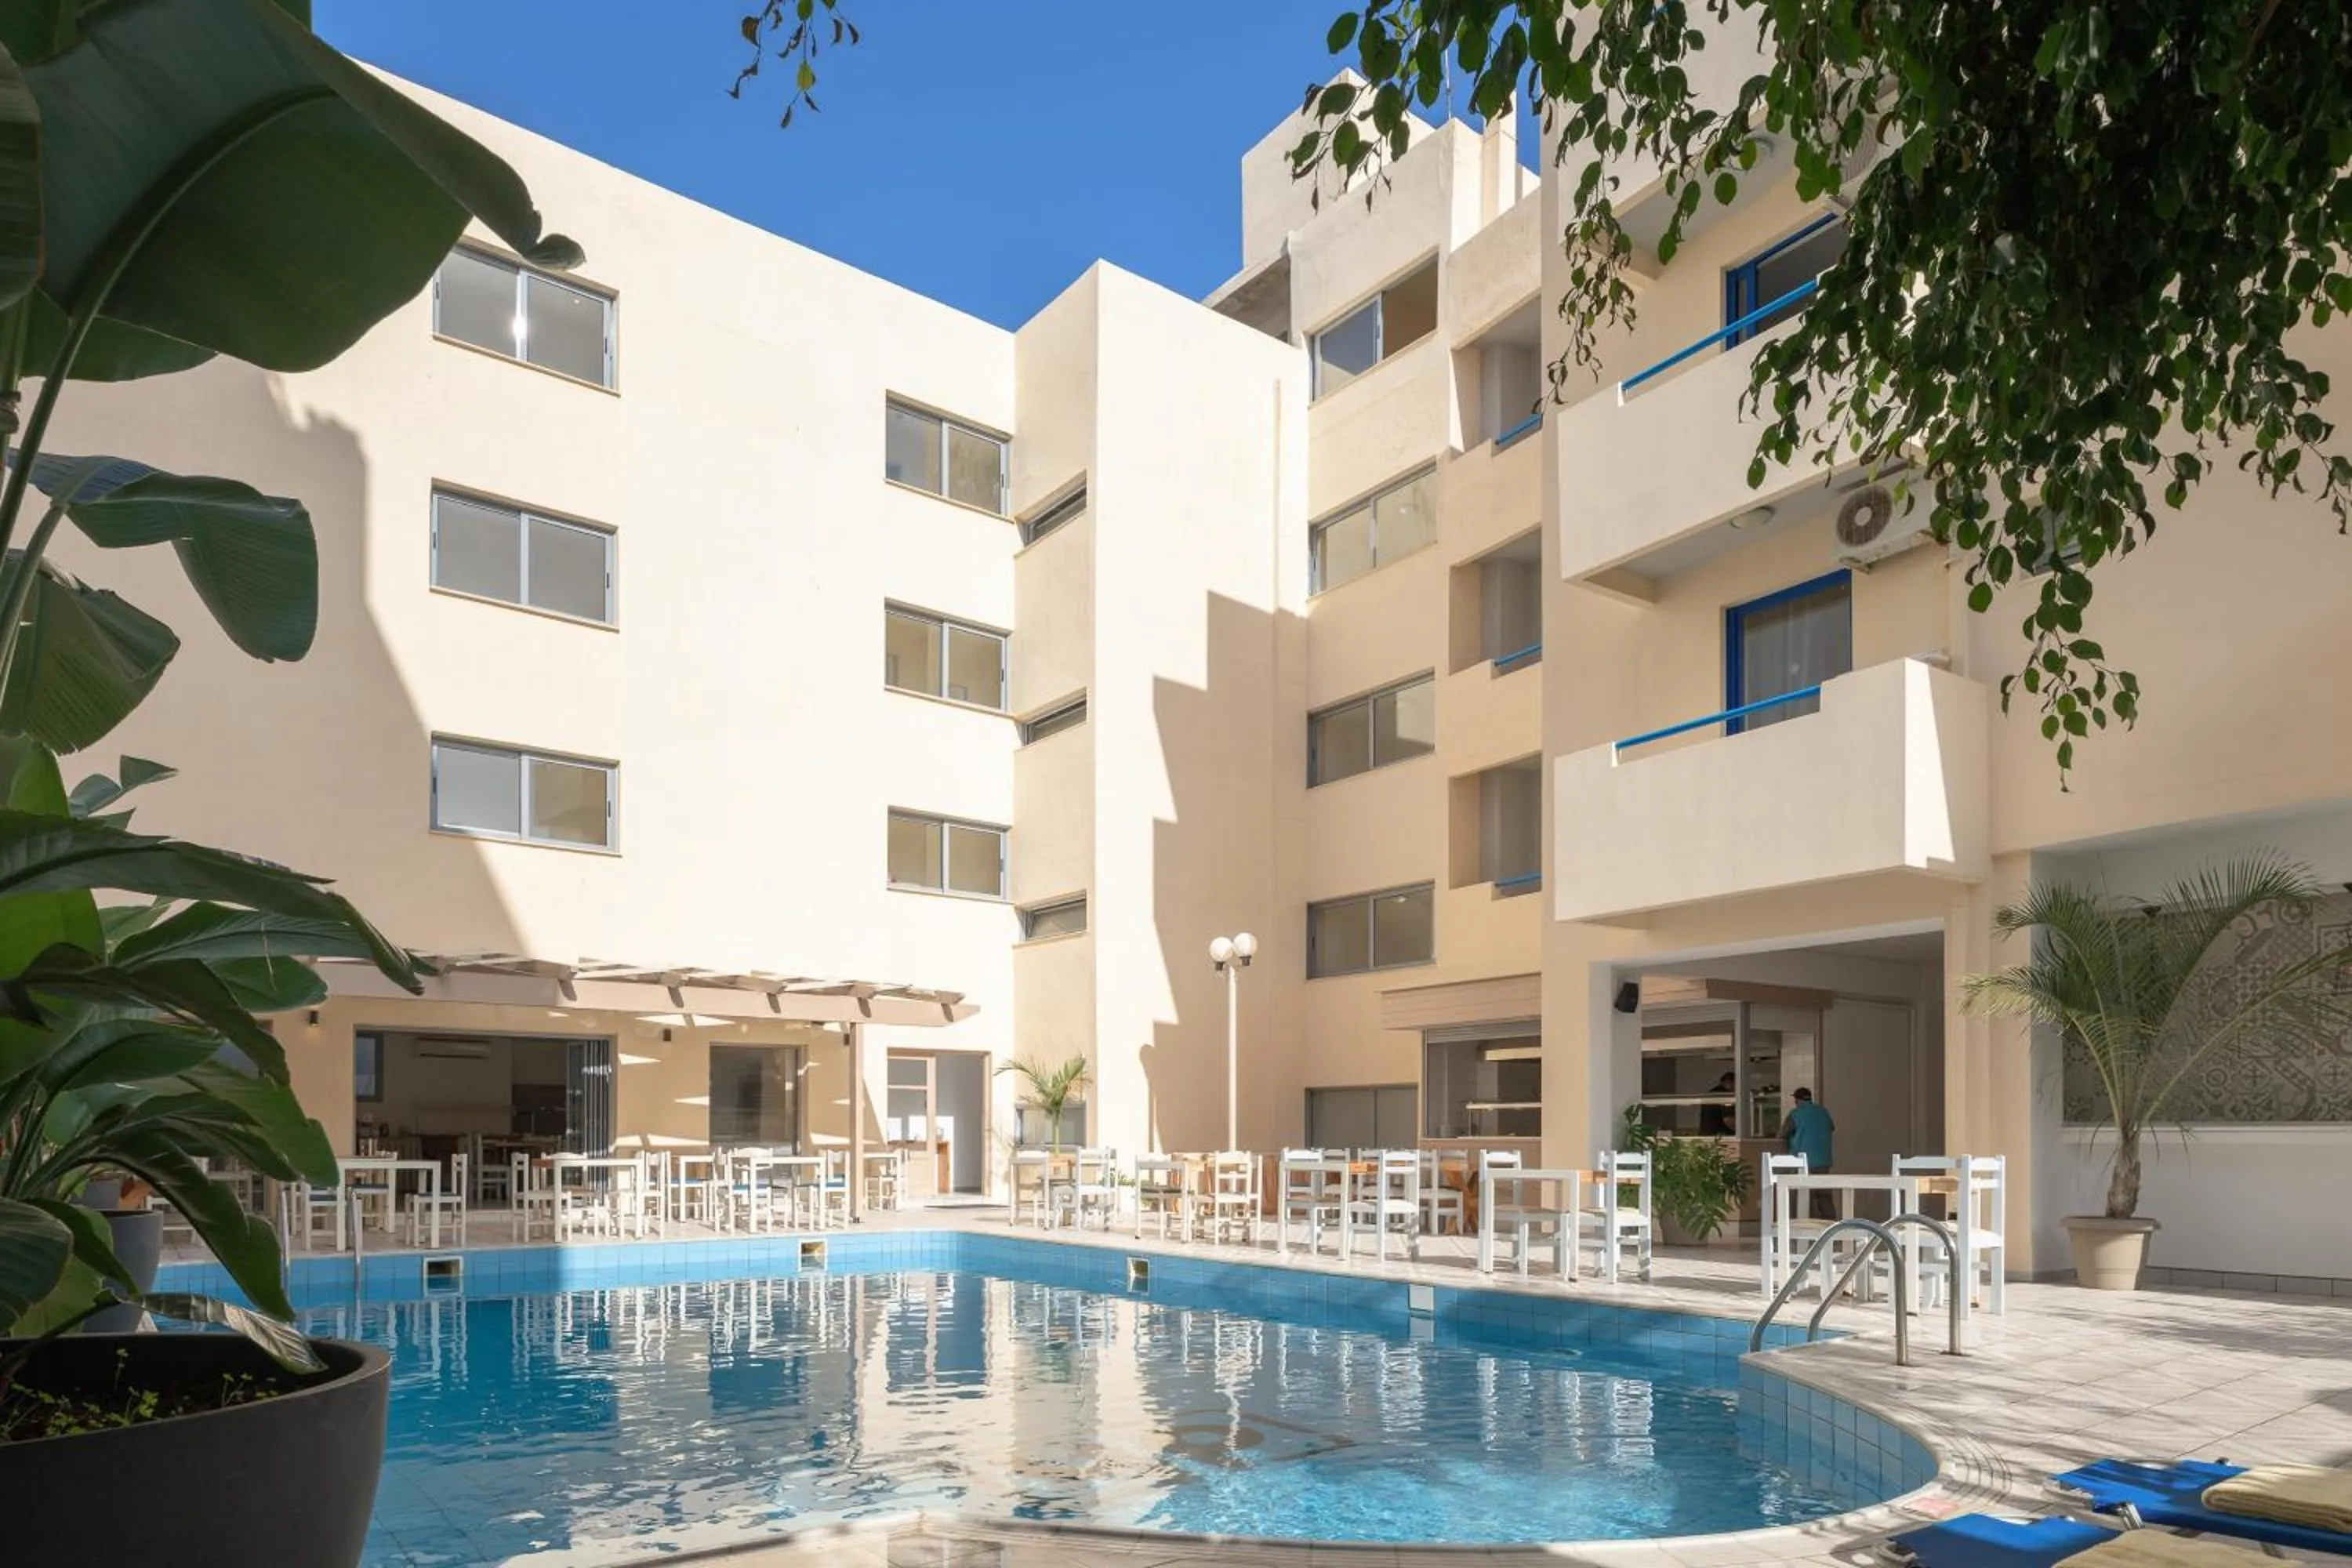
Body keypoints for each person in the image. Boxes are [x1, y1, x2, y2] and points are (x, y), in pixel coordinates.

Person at [1784, 1087, 1836, 1220]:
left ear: (1798, 1100)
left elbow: (1783, 1133)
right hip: (1823, 1161)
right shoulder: (1823, 1112)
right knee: (1824, 1195)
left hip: (1803, 1162)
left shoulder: (1795, 1114)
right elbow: (1831, 1128)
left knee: (1804, 1196)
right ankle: (1831, 1226)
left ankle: (1806, 1226)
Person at [1700, 1070, 1737, 1136]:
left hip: (1706, 1134)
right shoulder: (1725, 1095)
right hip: (1721, 1136)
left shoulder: (1711, 1094)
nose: (1736, 1088)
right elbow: (1729, 1119)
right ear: (1729, 1082)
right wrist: (1742, 1131)